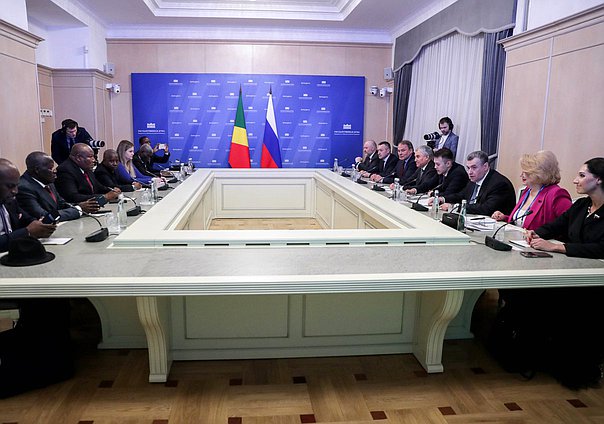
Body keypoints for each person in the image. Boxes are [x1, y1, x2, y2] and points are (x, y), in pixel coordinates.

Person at [526, 157, 604, 258]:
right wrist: (536, 233)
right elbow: (556, 225)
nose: (575, 181)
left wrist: (556, 247)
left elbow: (601, 248)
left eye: (582, 176)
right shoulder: (581, 205)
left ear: (599, 179)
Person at [492, 151, 572, 230]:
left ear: (541, 173)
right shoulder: (528, 190)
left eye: (527, 172)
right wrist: (505, 218)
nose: (521, 175)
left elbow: (569, 225)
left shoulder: (556, 194)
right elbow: (523, 222)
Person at [17, 152, 99, 221]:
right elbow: (44, 216)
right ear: (37, 170)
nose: (55, 171)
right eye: (51, 168)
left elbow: (62, 204)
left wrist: (84, 206)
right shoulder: (24, 188)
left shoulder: (47, 181)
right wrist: (79, 209)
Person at [0, 159, 56, 252]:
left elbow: (26, 219)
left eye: (16, 186)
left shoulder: (9, 201)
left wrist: (41, 225)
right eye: (10, 186)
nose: (15, 191)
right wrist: (27, 232)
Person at [441, 151, 516, 216]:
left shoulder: (499, 184)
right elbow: (461, 195)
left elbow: (486, 209)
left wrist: (455, 207)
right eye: (468, 168)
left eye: (474, 167)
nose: (469, 172)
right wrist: (442, 199)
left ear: (485, 166)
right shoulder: (475, 179)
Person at [55, 144, 121, 206]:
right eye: (90, 157)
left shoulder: (86, 167)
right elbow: (72, 197)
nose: (94, 160)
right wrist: (104, 197)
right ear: (79, 158)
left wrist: (112, 190)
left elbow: (98, 187)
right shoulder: (65, 170)